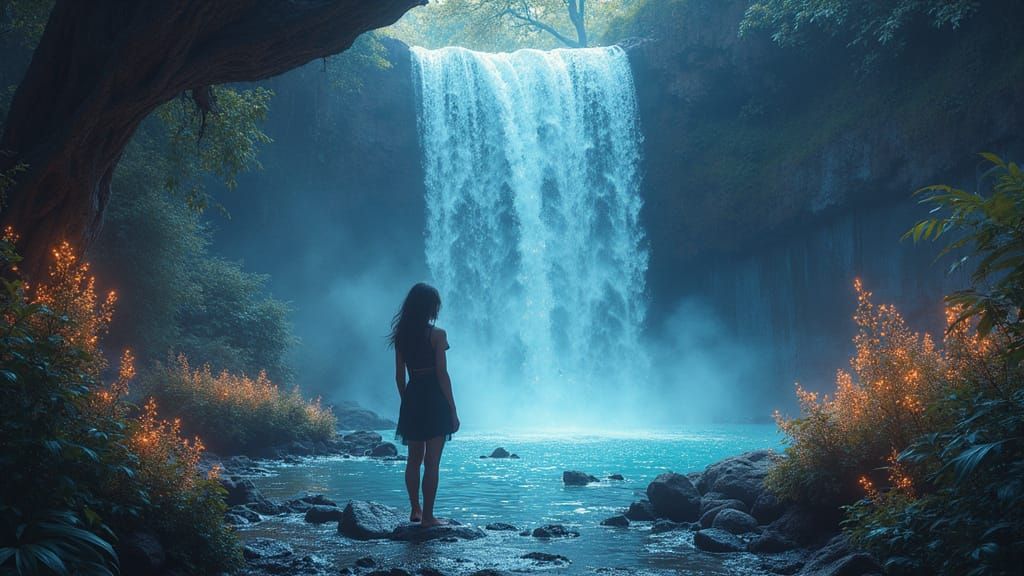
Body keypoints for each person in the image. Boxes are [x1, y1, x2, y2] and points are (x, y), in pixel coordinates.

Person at [388, 282, 460, 527]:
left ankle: (415, 510)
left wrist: (406, 401)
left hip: (414, 394)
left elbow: (399, 377)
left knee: (413, 459)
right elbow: (442, 374)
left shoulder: (401, 336)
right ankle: (429, 517)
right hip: (434, 397)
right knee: (432, 462)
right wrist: (452, 409)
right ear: (430, 307)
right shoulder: (438, 335)